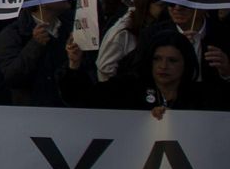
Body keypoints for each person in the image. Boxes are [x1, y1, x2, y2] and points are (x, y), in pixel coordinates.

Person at [59, 30, 227, 116]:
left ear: (186, 63)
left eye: (172, 60)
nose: (163, 66)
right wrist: (74, 63)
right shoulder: (127, 89)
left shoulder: (200, 95)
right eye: (157, 59)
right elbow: (82, 99)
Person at [0, 0, 76, 107]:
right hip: (31, 115)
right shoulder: (12, 34)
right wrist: (35, 45)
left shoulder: (72, 29)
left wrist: (75, 63)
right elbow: (11, 78)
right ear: (42, 1)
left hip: (68, 114)